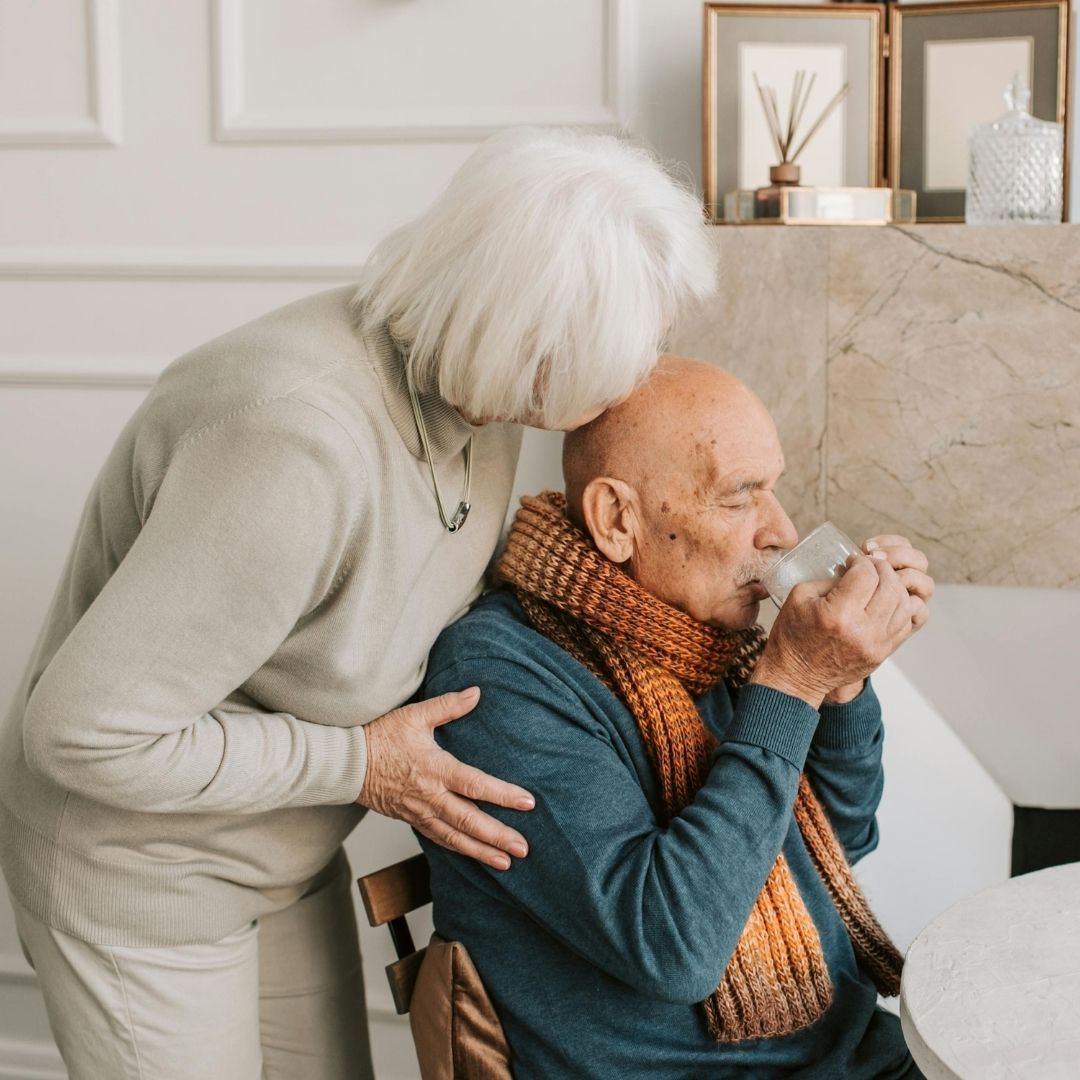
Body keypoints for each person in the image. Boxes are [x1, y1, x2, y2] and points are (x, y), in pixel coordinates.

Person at [0, 128, 718, 1079]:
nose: (644, 371)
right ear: (534, 340)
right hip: (143, 879)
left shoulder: (487, 400)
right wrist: (362, 764)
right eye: (636, 345)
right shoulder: (294, 444)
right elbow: (83, 735)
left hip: (284, 849)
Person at [418, 357, 935, 1079]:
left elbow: (833, 844)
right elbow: (675, 948)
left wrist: (841, 684)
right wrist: (791, 683)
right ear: (617, 520)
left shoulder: (703, 639)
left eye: (773, 489)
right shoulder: (501, 681)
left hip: (842, 1052)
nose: (781, 529)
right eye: (739, 497)